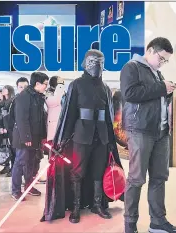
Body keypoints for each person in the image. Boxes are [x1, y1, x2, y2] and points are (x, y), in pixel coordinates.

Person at [43, 50, 123, 223]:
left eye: (101, 62)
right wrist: (62, 140)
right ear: (86, 62)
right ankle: (76, 207)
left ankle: (96, 205)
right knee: (77, 172)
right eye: (94, 61)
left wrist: (111, 140)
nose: (97, 66)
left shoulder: (105, 88)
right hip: (81, 135)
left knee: (98, 172)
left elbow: (109, 117)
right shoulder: (76, 85)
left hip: (101, 136)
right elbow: (69, 113)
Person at [120, 37, 176, 233]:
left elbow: (156, 98)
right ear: (150, 51)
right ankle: (130, 224)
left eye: (166, 60)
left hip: (161, 132)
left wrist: (168, 91)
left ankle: (158, 221)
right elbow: (130, 94)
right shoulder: (132, 67)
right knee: (136, 178)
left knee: (159, 178)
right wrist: (161, 88)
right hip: (139, 130)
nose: (163, 63)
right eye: (162, 58)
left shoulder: (157, 74)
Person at [11, 72, 49, 201]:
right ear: (37, 84)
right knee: (20, 163)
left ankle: (28, 186)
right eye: (45, 84)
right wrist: (26, 137)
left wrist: (43, 136)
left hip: (35, 137)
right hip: (24, 138)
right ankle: (16, 190)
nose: (46, 86)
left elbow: (41, 118)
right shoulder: (24, 97)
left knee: (31, 164)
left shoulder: (38, 97)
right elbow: (22, 119)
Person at [0, 85, 16, 176]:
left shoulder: (12, 101)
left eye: (5, 88)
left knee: (12, 149)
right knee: (4, 149)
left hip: (10, 129)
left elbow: (9, 117)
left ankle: (13, 168)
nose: (3, 90)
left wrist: (6, 127)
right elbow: (1, 116)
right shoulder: (3, 102)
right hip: (3, 129)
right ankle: (7, 166)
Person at [45, 76, 65, 151]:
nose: (62, 83)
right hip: (54, 125)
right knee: (53, 150)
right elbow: (55, 101)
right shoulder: (49, 93)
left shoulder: (62, 93)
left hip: (62, 124)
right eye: (60, 82)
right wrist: (60, 86)